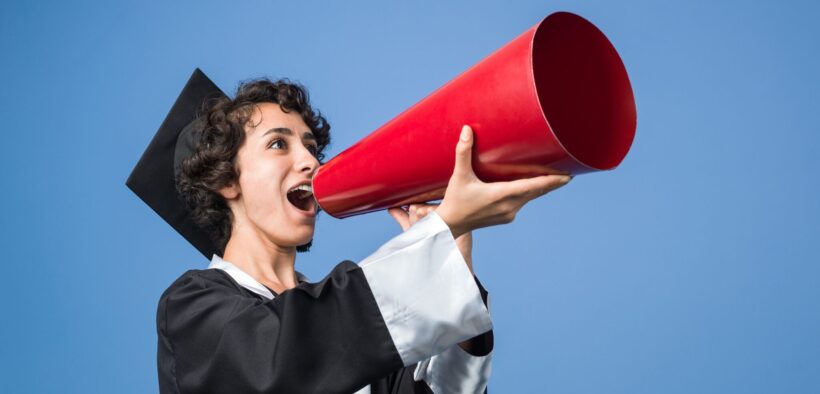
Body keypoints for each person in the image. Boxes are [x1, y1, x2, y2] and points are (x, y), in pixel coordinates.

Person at [127, 69, 571, 393]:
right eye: (278, 144)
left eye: (311, 147)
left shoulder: (355, 326)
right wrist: (442, 226)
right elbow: (281, 364)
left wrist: (454, 259)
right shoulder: (191, 308)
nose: (310, 162)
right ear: (227, 180)